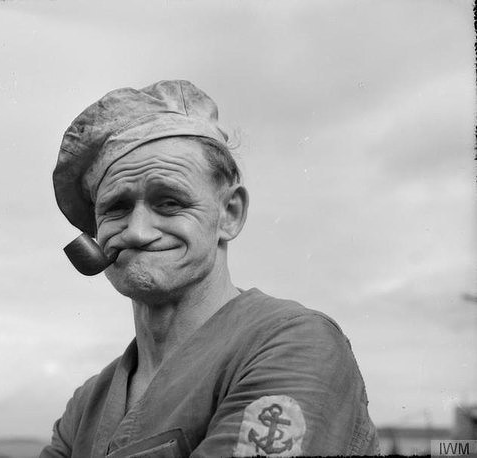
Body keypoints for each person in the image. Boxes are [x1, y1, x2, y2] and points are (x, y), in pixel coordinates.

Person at [41, 80, 379, 457]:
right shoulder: (86, 406)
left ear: (229, 214)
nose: (136, 231)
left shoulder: (297, 346)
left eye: (169, 202)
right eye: (116, 208)